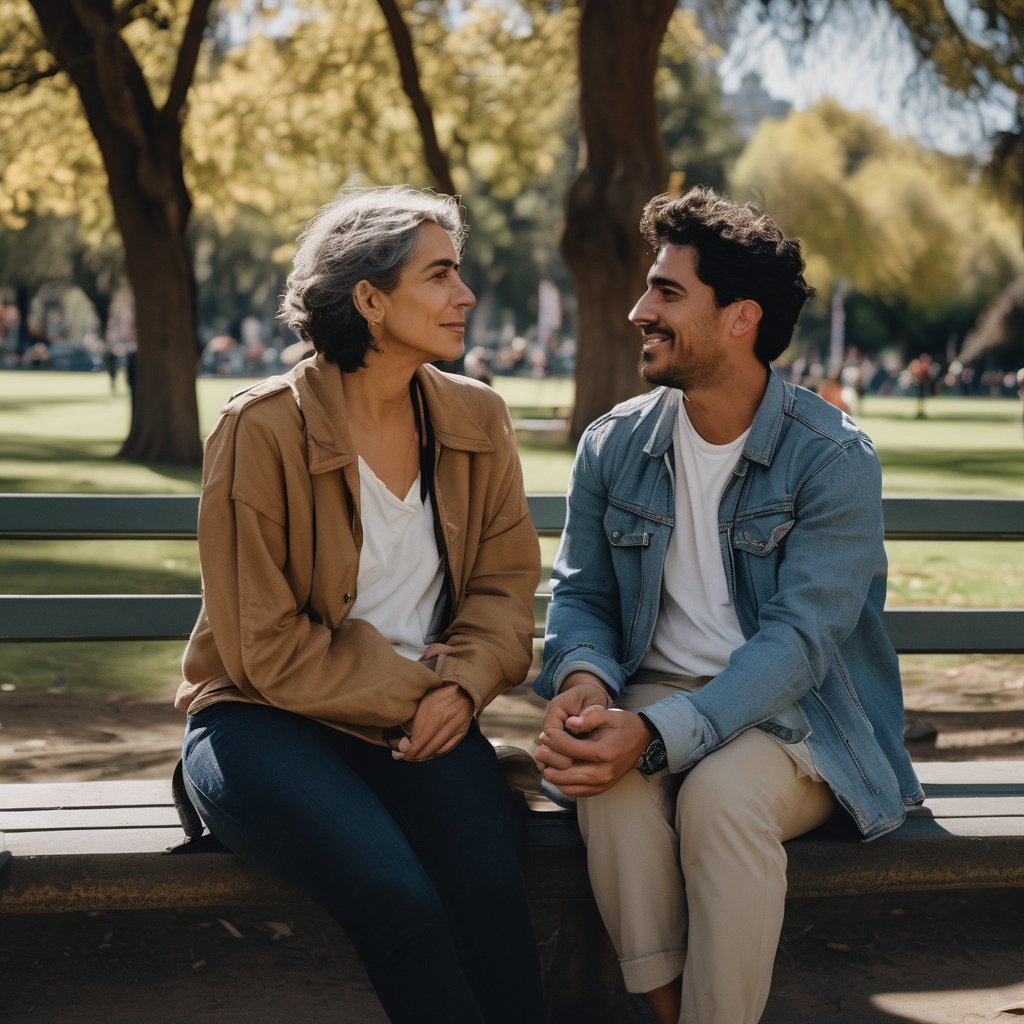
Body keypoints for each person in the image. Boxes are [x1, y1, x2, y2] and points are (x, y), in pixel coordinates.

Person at [534, 187, 921, 1024]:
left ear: (741, 318)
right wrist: (587, 686)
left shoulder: (832, 458)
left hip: (801, 719)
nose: (640, 311)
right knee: (608, 780)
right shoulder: (615, 443)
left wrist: (661, 732)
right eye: (647, 289)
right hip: (653, 695)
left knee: (718, 798)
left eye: (667, 293)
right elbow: (584, 597)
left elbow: (802, 643)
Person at [176, 186, 546, 1024]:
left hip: (421, 719)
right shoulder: (261, 428)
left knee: (491, 893)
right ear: (371, 300)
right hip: (261, 721)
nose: (466, 295)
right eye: (441, 276)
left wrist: (465, 684)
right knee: (399, 901)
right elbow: (262, 645)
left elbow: (503, 587)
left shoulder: (478, 417)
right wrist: (436, 692)